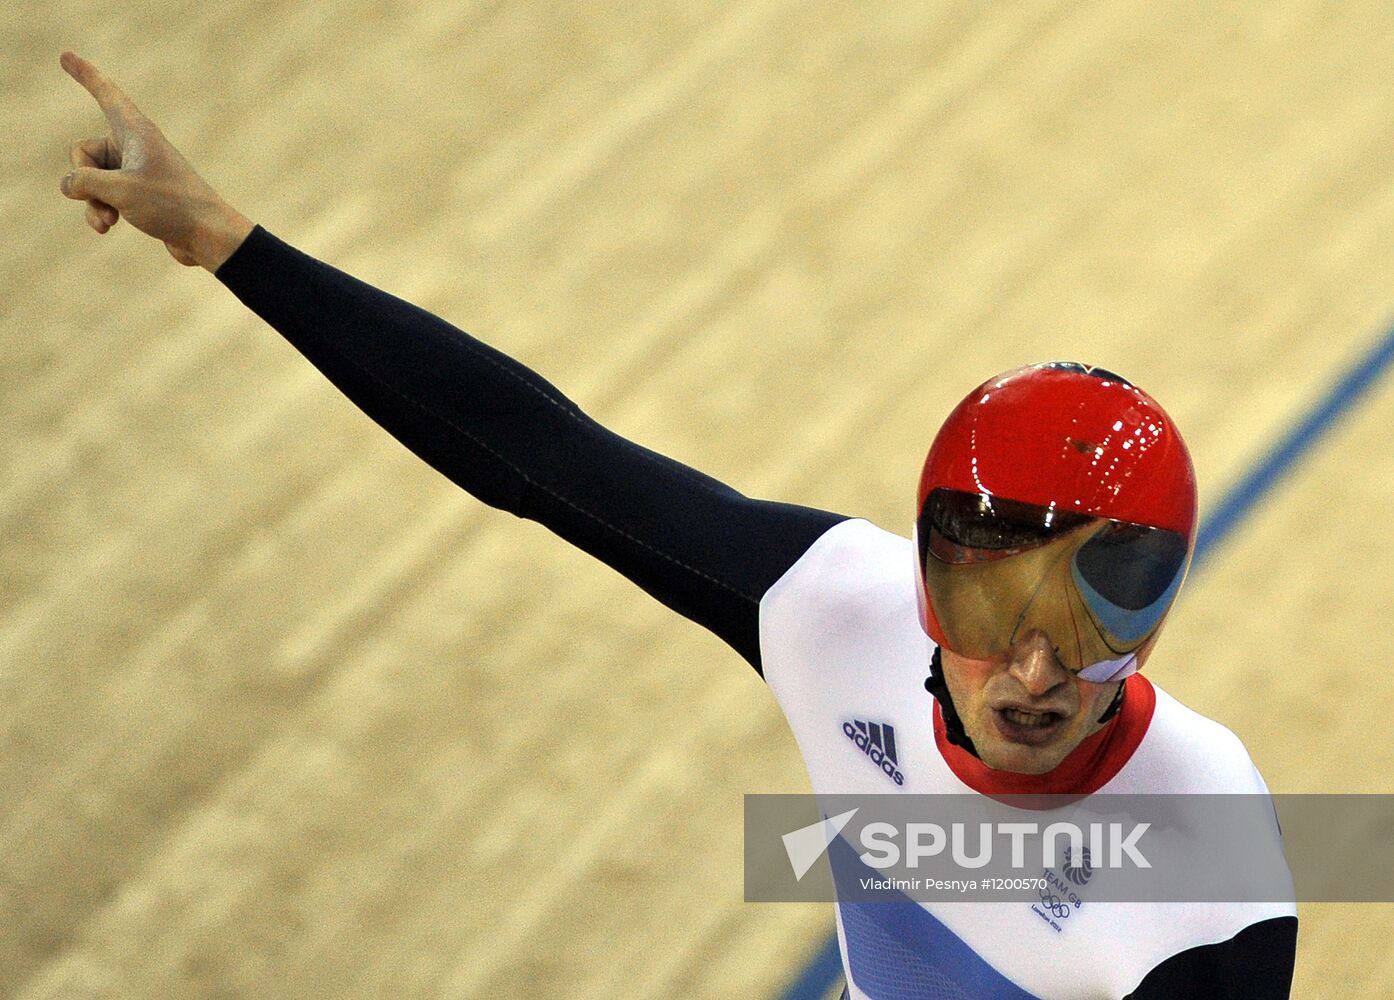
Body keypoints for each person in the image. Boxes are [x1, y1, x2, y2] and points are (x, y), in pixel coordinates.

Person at [57, 51, 1297, 999]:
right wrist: (228, 241)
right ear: (923, 583)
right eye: (991, 610)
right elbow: (541, 454)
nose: (1032, 675)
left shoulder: (1209, 867)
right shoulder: (835, 612)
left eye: (1086, 620)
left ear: (1152, 619)